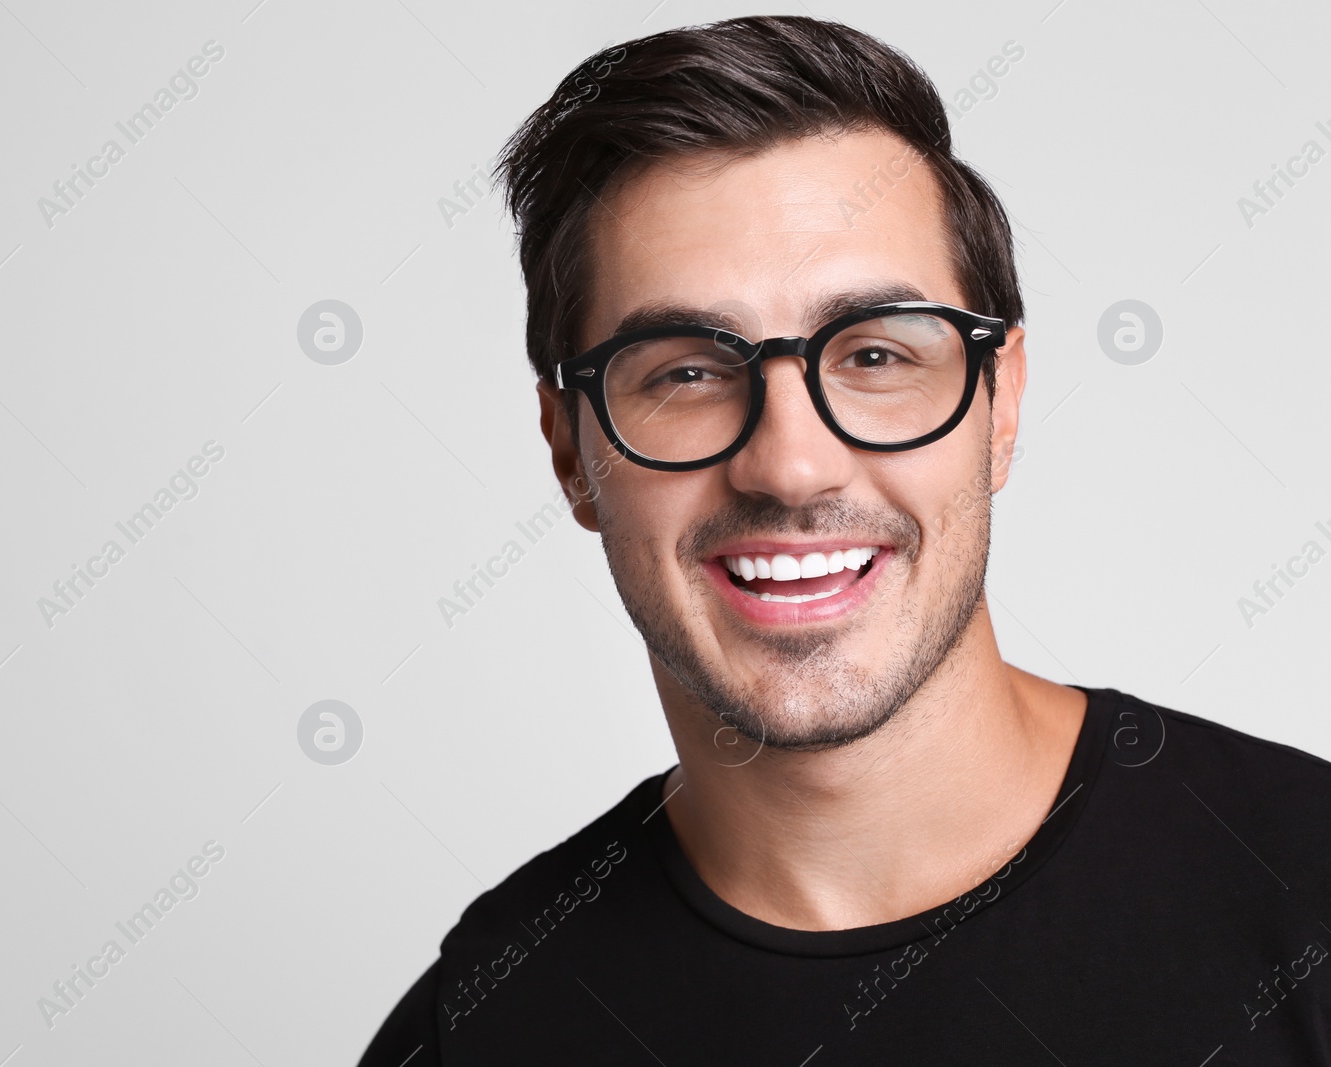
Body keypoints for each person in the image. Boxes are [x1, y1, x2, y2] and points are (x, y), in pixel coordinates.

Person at [359, 15, 1331, 1064]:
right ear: (569, 450)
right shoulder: (490, 1016)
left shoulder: (1306, 890)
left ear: (998, 403)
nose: (790, 464)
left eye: (873, 354)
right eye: (684, 369)